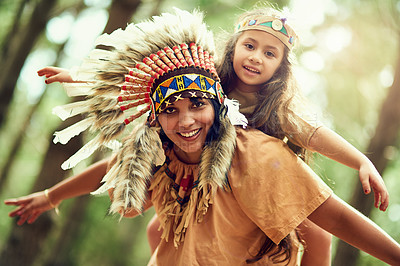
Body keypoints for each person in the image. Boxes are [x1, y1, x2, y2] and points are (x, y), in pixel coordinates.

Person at [4, 9, 400, 265]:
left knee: (313, 230)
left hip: (261, 182)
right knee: (158, 230)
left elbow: (315, 135)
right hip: (201, 184)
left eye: (269, 54)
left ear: (280, 68)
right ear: (232, 50)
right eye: (249, 46)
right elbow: (139, 81)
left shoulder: (271, 117)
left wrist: (360, 160)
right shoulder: (204, 79)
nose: (255, 58)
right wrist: (80, 78)